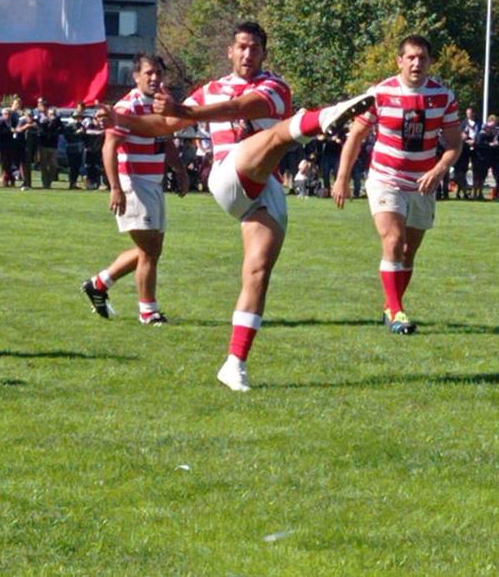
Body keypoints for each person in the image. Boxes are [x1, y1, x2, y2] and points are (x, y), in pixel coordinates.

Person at [99, 22, 373, 391]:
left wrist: (188, 113)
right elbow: (162, 125)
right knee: (277, 134)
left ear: (264, 53)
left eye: (255, 48)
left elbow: (246, 105)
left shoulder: (274, 87)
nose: (247, 54)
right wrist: (121, 119)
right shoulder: (209, 90)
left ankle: (234, 363)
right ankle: (324, 117)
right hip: (227, 178)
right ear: (229, 51)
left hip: (264, 191)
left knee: (257, 271)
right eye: (241, 47)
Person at [332, 35, 460, 334]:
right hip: (385, 178)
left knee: (407, 251)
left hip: (422, 183)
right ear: (399, 61)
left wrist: (439, 169)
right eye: (411, 57)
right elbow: (355, 137)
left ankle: (391, 307)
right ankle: (398, 311)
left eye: (423, 58)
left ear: (430, 61)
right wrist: (341, 179)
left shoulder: (443, 97)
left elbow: (454, 144)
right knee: (392, 241)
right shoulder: (380, 94)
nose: (417, 63)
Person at [82, 55, 190, 325]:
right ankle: (148, 311)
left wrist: (180, 170)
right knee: (150, 250)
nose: (155, 78)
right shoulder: (126, 107)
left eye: (159, 73)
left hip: (153, 183)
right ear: (136, 76)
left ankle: (99, 283)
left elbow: (165, 141)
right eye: (149, 73)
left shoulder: (160, 103)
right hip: (134, 183)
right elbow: (109, 147)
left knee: (151, 249)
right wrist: (115, 188)